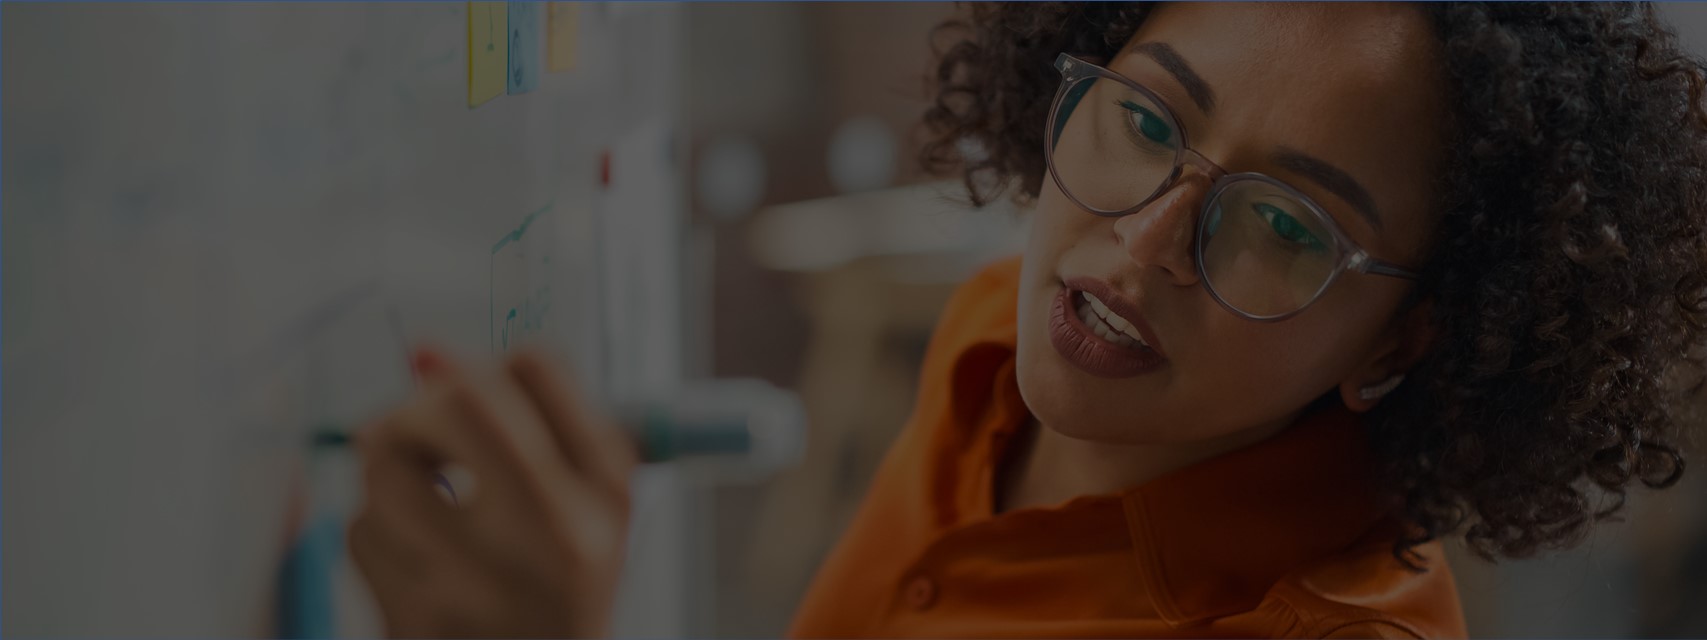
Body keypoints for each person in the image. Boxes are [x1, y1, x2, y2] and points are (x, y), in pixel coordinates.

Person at [345, 3, 1707, 638]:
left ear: (1406, 341)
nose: (1144, 242)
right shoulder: (997, 336)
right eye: (1148, 118)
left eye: (1288, 225)